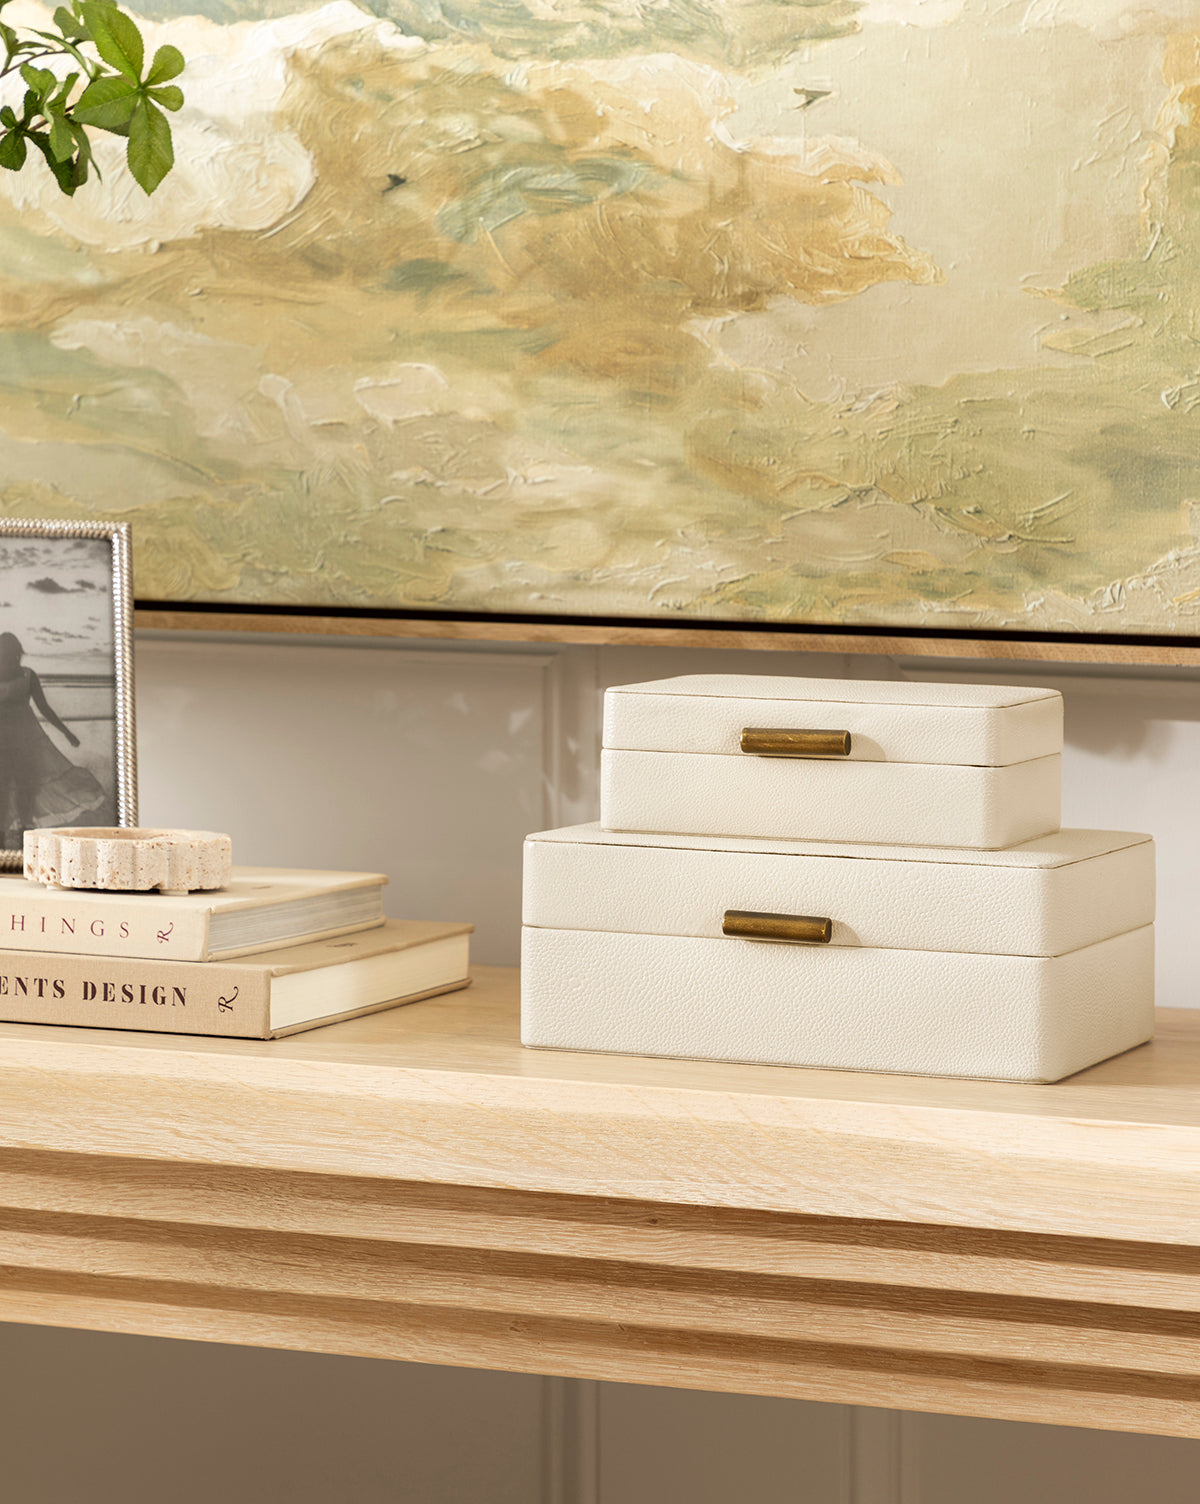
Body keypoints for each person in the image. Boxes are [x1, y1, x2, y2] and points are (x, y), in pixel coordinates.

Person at [0, 631, 108, 848]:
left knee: (22, 786)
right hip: (12, 741)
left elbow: (45, 708)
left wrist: (67, 732)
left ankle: (17, 832)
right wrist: (67, 733)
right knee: (13, 786)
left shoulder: (28, 676)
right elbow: (44, 709)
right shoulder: (26, 675)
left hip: (27, 741)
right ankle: (11, 833)